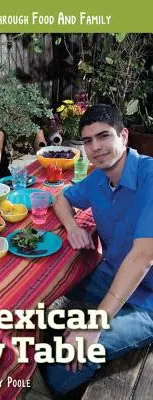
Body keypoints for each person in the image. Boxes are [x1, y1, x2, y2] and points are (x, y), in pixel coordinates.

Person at [42, 104, 153, 396]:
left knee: (79, 352)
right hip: (110, 276)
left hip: (149, 302)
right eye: (88, 140)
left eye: (103, 136)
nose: (96, 147)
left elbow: (143, 257)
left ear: (124, 136)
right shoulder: (97, 178)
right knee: (45, 302)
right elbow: (60, 199)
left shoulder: (150, 176)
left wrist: (95, 323)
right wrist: (73, 227)